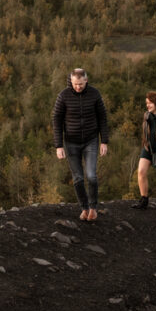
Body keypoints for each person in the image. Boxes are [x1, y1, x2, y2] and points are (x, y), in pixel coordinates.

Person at [52, 68, 110, 221]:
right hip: (71, 142)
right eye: (75, 84)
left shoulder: (94, 94)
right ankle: (84, 208)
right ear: (71, 81)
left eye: (81, 84)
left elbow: (102, 118)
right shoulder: (63, 96)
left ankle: (93, 208)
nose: (78, 87)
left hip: (91, 141)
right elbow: (56, 121)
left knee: (91, 176)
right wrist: (59, 146)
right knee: (77, 178)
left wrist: (104, 141)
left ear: (86, 81)